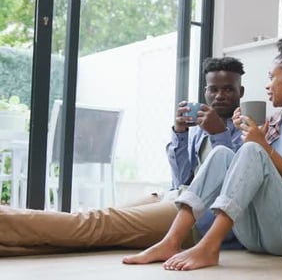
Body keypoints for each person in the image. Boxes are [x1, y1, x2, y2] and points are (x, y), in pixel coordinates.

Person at [122, 31, 282, 270]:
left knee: (252, 150)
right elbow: (242, 177)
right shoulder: (272, 124)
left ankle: (209, 247)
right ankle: (171, 241)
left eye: (272, 77)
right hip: (256, 236)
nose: (267, 85)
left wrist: (262, 146)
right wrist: (247, 136)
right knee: (223, 154)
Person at [0, 57, 246, 257]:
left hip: (196, 216)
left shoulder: (248, 131)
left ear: (240, 92)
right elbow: (182, 177)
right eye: (213, 89)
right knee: (97, 221)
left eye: (228, 90)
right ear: (205, 90)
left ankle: (5, 221)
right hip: (173, 195)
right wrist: (180, 134)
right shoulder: (199, 127)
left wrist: (220, 135)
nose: (219, 96)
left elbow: (233, 186)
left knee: (97, 224)